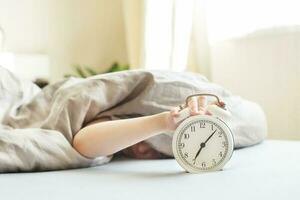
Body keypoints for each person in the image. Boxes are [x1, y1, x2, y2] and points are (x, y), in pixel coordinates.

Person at [73, 96, 215, 159]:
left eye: (159, 154)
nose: (141, 149)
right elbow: (83, 142)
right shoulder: (132, 107)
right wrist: (163, 122)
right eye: (144, 142)